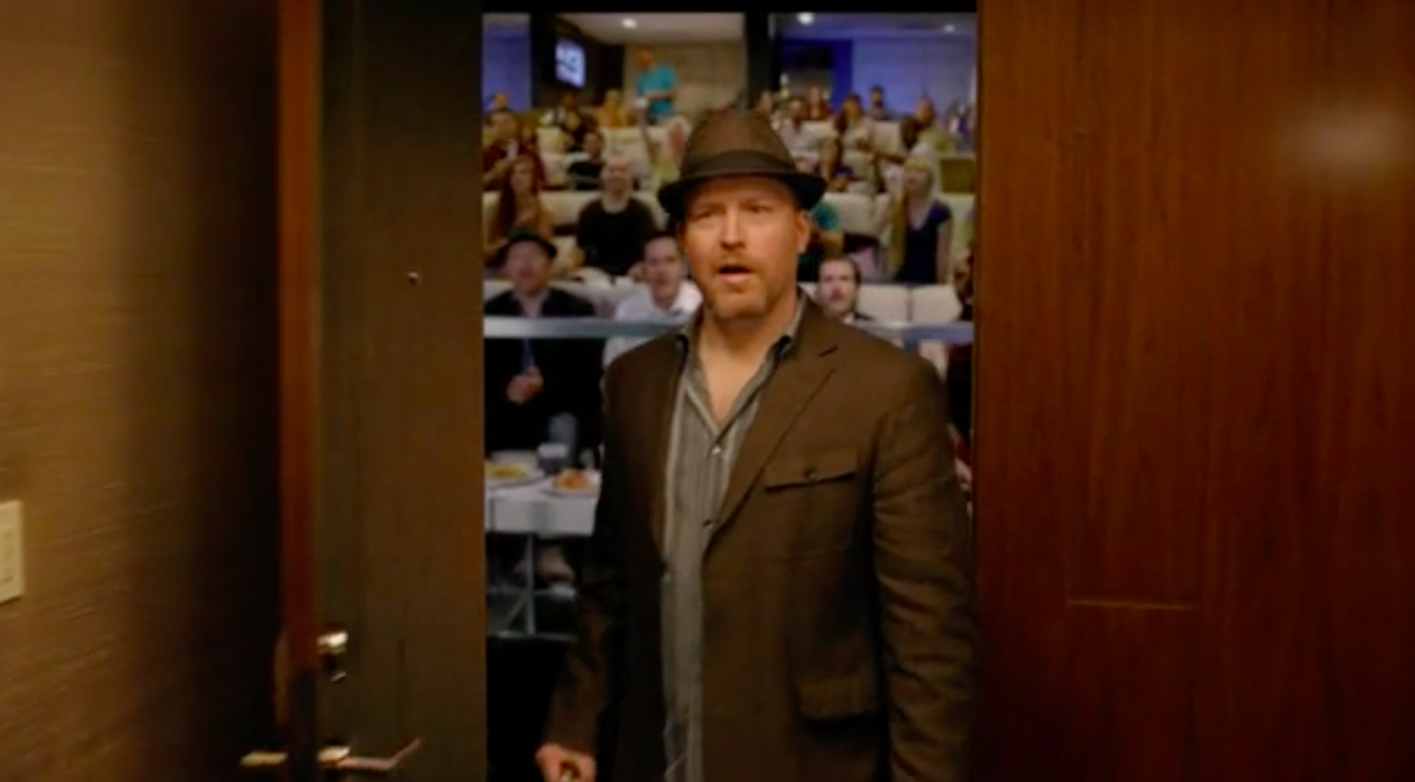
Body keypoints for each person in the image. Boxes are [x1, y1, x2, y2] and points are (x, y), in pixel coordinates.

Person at [537, 110, 976, 782]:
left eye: (756, 210)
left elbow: (930, 643)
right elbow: (610, 582)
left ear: (800, 231)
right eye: (707, 214)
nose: (731, 235)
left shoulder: (888, 390)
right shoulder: (633, 384)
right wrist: (576, 720)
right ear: (683, 238)